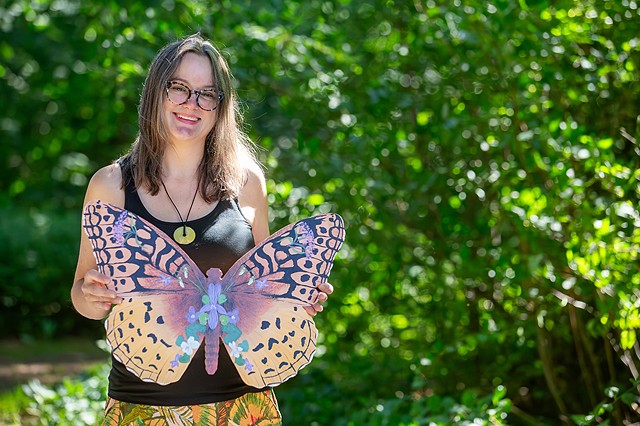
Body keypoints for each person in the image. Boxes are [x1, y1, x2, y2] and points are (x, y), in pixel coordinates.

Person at [70, 33, 333, 425]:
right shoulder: (111, 185)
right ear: (156, 93)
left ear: (220, 107)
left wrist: (298, 296)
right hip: (144, 406)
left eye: (207, 94)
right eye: (179, 88)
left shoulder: (247, 183)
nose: (191, 105)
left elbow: (264, 283)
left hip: (243, 405)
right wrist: (92, 297)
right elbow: (80, 293)